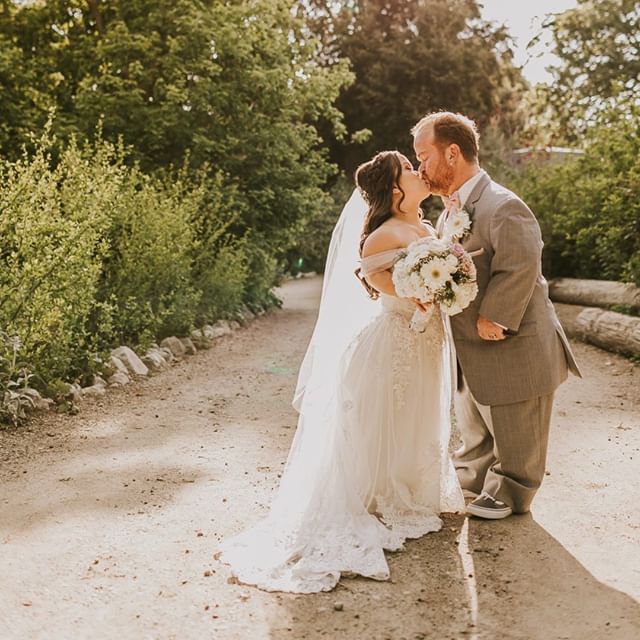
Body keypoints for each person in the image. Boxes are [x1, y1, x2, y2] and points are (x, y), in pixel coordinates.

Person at [215, 151, 464, 593]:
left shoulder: (427, 228)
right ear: (394, 190)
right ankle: (381, 497)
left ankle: (413, 488)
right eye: (409, 169)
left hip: (427, 341)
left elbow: (433, 284)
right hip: (394, 342)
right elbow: (392, 289)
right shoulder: (380, 237)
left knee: (418, 413)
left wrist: (449, 285)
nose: (418, 171)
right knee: (389, 416)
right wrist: (424, 291)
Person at [412, 111, 581, 519]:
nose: (420, 168)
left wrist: (497, 315)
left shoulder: (503, 205)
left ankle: (512, 488)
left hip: (512, 339)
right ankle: (472, 475)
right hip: (469, 343)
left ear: (452, 153)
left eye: (424, 157)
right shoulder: (449, 211)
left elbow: (521, 264)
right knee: (476, 416)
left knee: (515, 415)